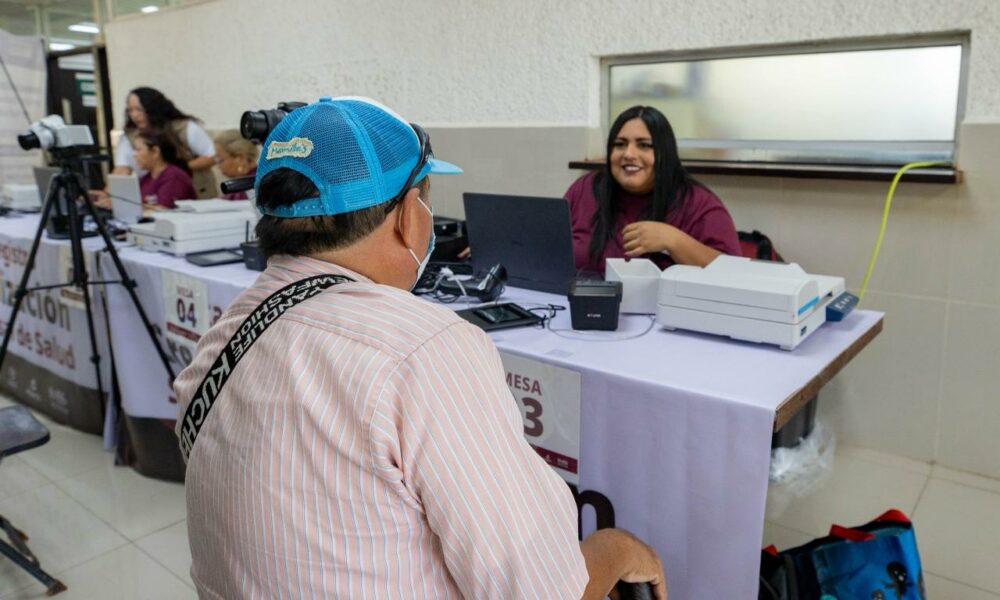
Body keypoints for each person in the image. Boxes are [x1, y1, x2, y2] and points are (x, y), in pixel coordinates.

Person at [173, 97, 667, 600]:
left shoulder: (224, 335)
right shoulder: (424, 351)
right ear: (410, 215)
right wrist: (615, 549)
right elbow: (540, 592)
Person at [566, 105, 740, 274]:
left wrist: (673, 240)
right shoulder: (585, 189)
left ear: (665, 153)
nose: (628, 154)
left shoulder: (698, 203)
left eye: (644, 145)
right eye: (619, 144)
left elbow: (734, 273)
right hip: (581, 294)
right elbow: (553, 248)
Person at [112, 86, 217, 198]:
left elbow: (213, 156)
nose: (134, 115)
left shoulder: (184, 128)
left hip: (196, 191)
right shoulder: (130, 135)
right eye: (130, 110)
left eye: (139, 109)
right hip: (152, 196)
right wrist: (109, 193)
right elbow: (122, 168)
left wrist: (176, 169)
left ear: (153, 109)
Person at [132, 129, 196, 209]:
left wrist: (134, 207)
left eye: (138, 150)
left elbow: (165, 209)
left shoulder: (174, 177)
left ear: (155, 151)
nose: (134, 155)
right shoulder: (144, 180)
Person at [212, 129, 259, 199]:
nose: (218, 166)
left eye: (220, 159)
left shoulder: (251, 188)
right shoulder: (248, 182)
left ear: (240, 158)